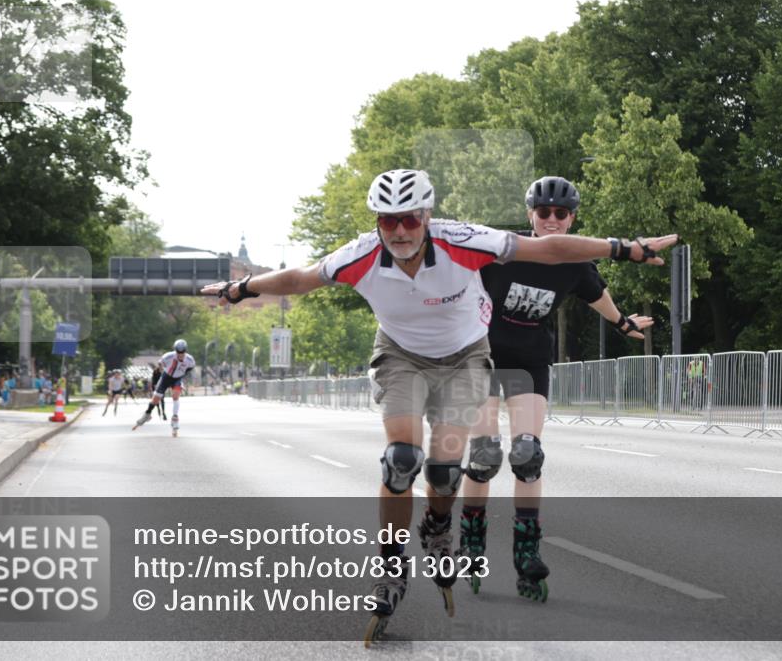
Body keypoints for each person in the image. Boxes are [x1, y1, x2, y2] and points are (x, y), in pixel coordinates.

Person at [202, 168, 676, 637]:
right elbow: (301, 279)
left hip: (467, 357)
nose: (401, 231)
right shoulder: (361, 256)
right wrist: (241, 289)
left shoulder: (464, 240)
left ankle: (437, 525)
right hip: (400, 355)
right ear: (376, 222)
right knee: (400, 461)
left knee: (446, 472)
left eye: (410, 219)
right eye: (388, 221)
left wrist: (626, 249)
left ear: (427, 215)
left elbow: (548, 249)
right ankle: (391, 568)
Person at [456, 176, 653, 602]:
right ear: (530, 215)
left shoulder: (576, 262)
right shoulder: (504, 249)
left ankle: (527, 553)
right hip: (482, 358)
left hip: (529, 361)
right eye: (543, 212)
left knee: (527, 455)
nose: (551, 220)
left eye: (560, 214)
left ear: (571, 218)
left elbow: (597, 294)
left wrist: (622, 323)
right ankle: (471, 540)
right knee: (486, 455)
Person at [133, 339, 195, 435]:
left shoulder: (190, 360)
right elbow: (160, 363)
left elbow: (190, 368)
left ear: (185, 351)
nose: (180, 355)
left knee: (176, 396)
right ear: (175, 351)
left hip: (177, 378)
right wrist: (163, 370)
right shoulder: (168, 356)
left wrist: (182, 374)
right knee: (156, 398)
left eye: (182, 352)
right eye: (178, 352)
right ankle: (147, 414)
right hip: (166, 377)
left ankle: (175, 418)